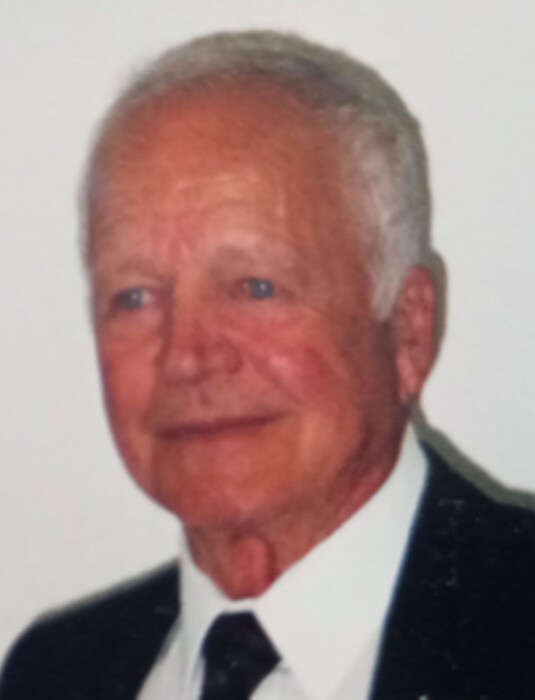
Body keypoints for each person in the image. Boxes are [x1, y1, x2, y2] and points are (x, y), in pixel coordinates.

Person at [2, 30, 535, 700]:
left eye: (256, 287)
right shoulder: (50, 673)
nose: (189, 357)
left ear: (407, 331)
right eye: (134, 296)